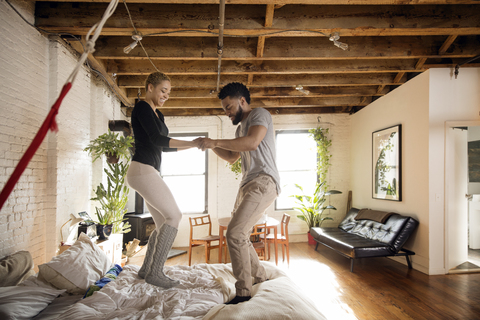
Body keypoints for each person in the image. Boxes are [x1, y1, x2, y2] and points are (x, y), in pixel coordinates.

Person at [197, 82, 281, 304]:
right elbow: (233, 157)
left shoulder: (259, 115)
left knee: (234, 233)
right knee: (239, 235)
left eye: (229, 107)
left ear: (242, 101)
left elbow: (253, 143)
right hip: (247, 184)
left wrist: (214, 140)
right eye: (224, 109)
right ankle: (260, 277)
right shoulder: (239, 129)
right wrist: (210, 145)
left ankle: (243, 292)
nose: (227, 113)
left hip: (264, 181)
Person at [126, 71, 199, 289]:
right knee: (174, 215)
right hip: (142, 170)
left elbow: (162, 147)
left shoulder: (160, 115)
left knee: (161, 224)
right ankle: (156, 273)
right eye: (163, 90)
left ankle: (146, 270)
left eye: (169, 92)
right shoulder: (142, 107)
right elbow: (158, 139)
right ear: (150, 87)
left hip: (148, 171)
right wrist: (194, 143)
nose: (166, 95)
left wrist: (193, 146)